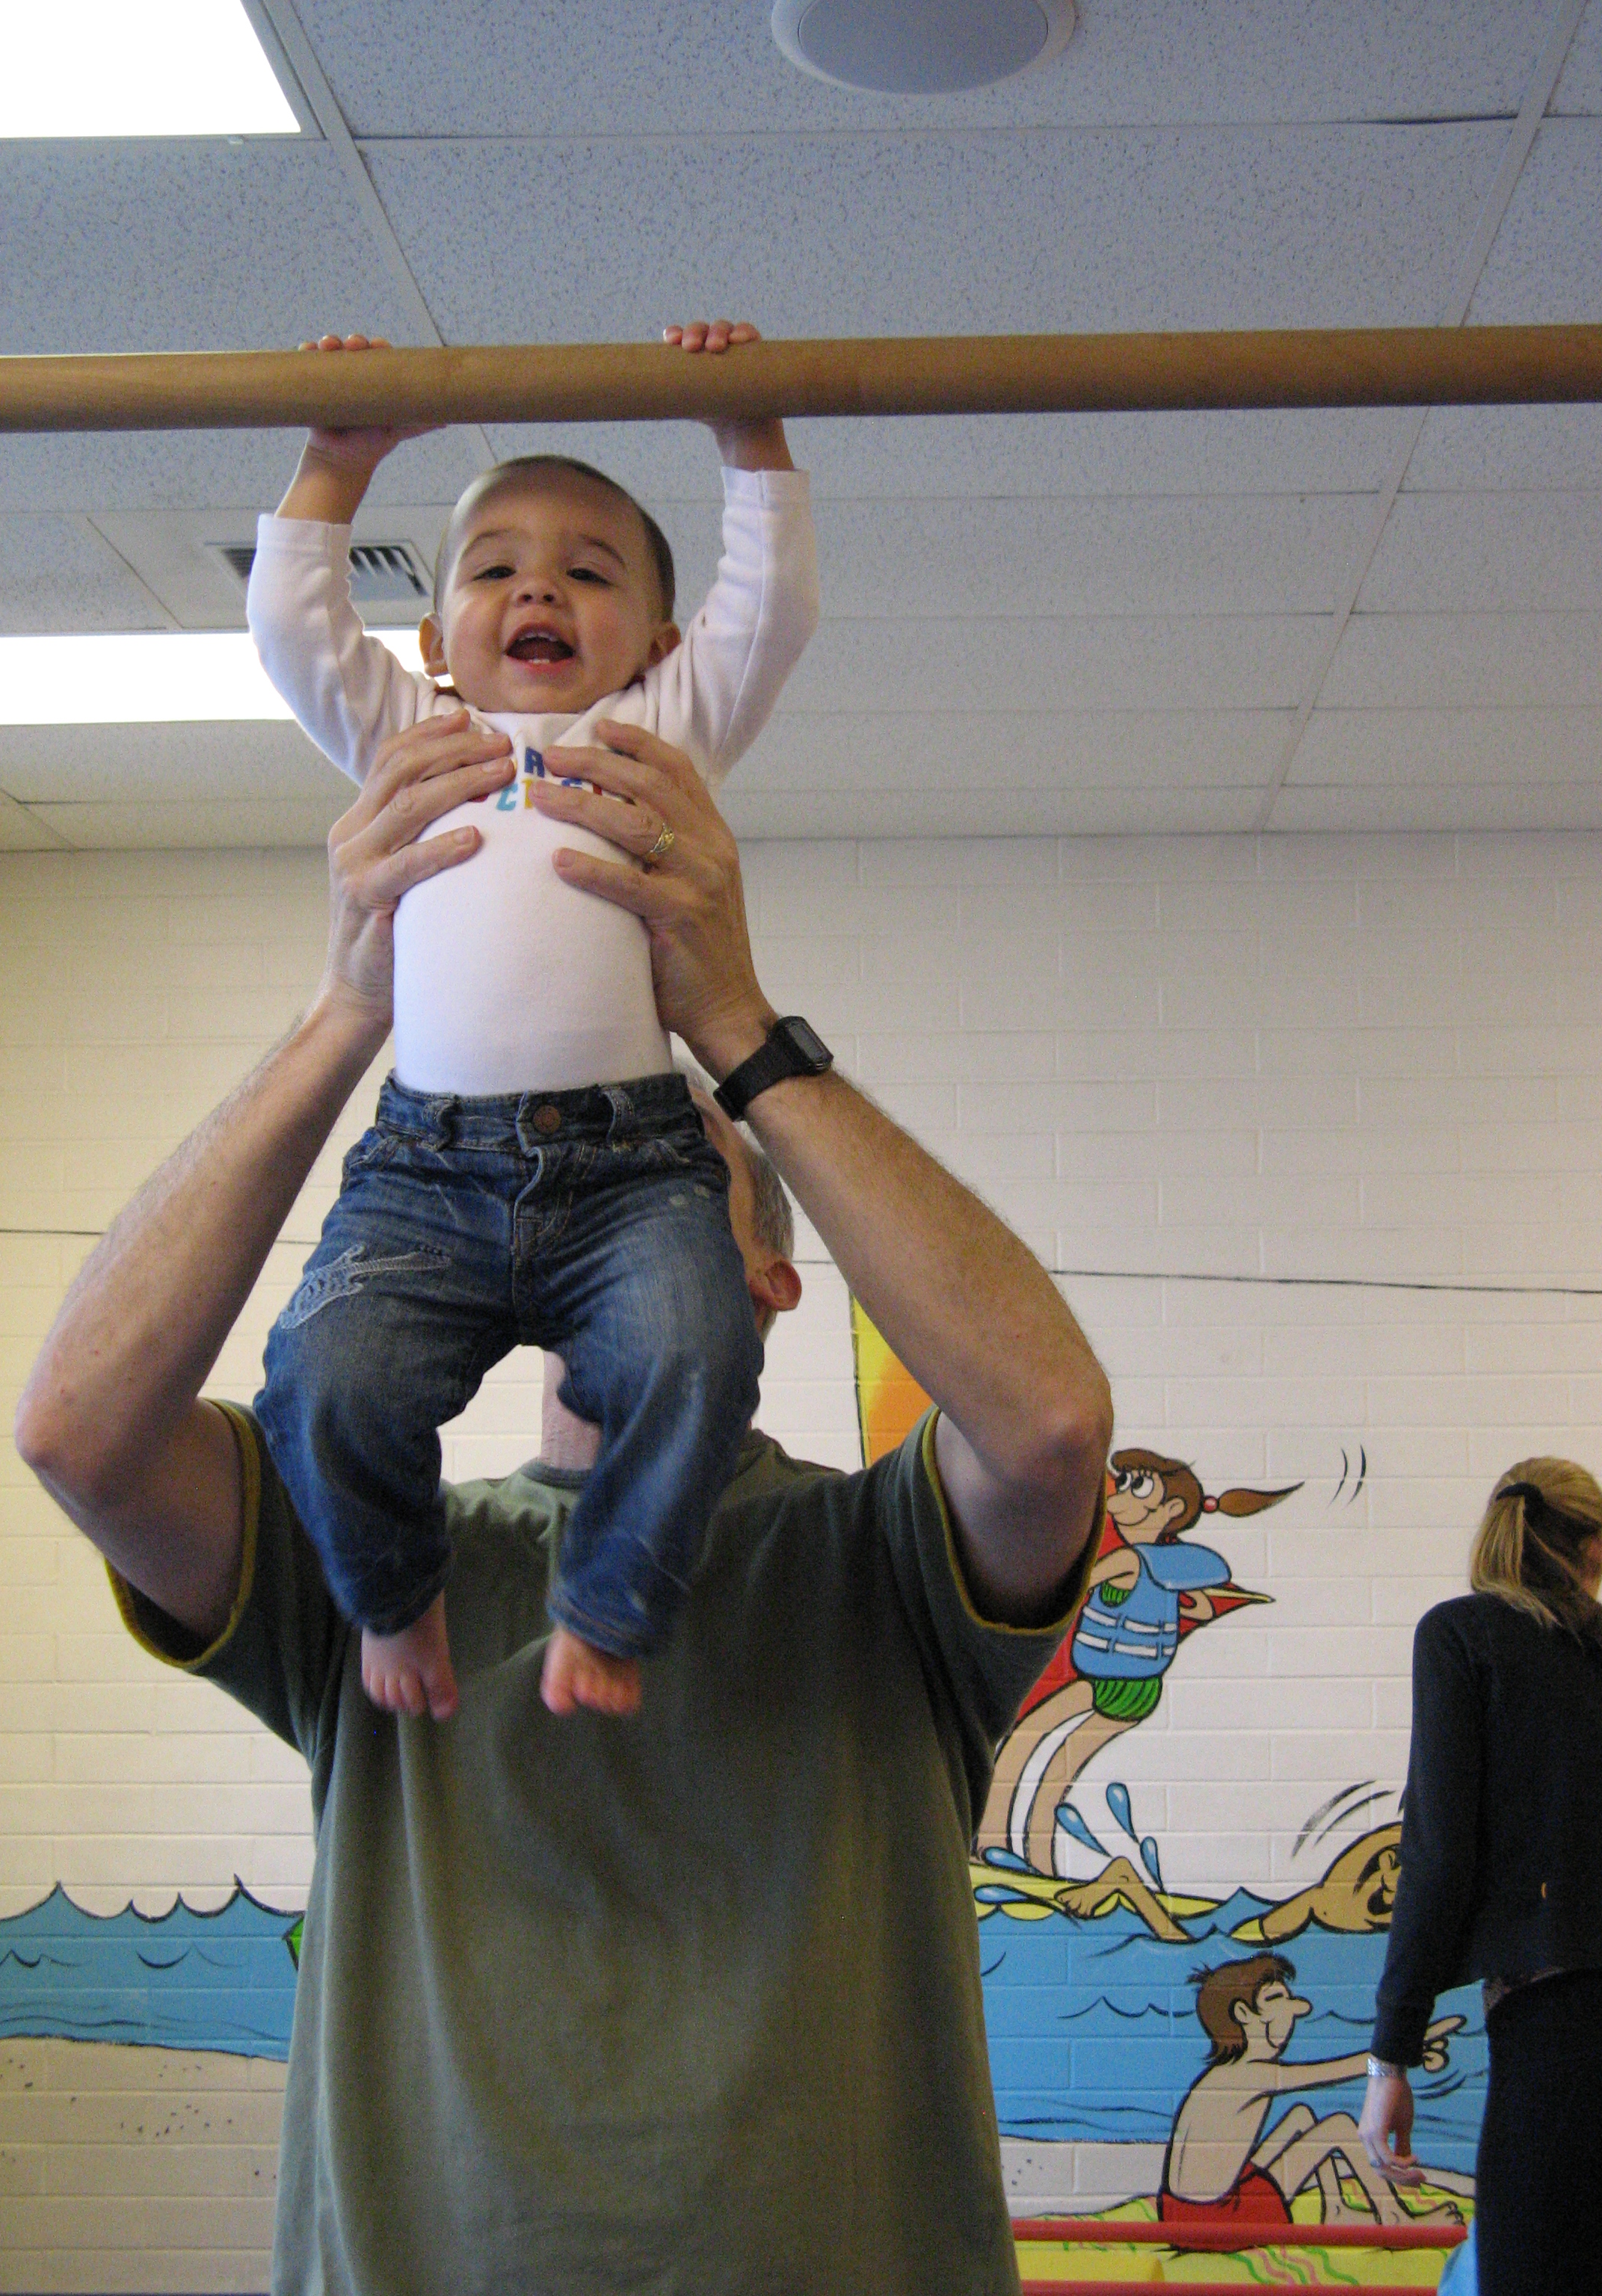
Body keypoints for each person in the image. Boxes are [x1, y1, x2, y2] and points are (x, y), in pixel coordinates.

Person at [14, 713, 1115, 2296]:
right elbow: (79, 1432)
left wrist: (735, 1028)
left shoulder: (875, 1563)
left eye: (655, 1186)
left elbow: (1052, 1423)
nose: (580, 1209)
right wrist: (349, 1012)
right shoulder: (375, 1556)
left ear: (762, 1279)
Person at [244, 322, 819, 1723]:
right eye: (494, 569)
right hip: (426, 1168)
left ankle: (610, 1606)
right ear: (436, 641)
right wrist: (333, 464)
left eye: (588, 572)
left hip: (630, 1167)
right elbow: (293, 630)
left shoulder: (656, 736)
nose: (538, 589)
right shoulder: (411, 742)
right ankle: (394, 1591)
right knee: (321, 1377)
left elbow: (771, 611)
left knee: (696, 1354)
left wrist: (748, 434)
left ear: (658, 645)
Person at [1361, 1460, 1602, 2295]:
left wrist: (1391, 2056)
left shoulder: (1461, 1635)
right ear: (1598, 1547)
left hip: (1571, 2030)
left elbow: (1439, 1855)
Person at [1160, 1952, 1458, 2229]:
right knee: (1340, 2127)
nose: (1288, 2015)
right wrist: (1403, 2047)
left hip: (1181, 2210)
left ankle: (1336, 2209)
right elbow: (1340, 2070)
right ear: (1243, 2013)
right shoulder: (1251, 2073)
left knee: (1301, 2116)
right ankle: (1394, 2216)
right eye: (1274, 2000)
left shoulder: (1229, 2070)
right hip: (1216, 2218)